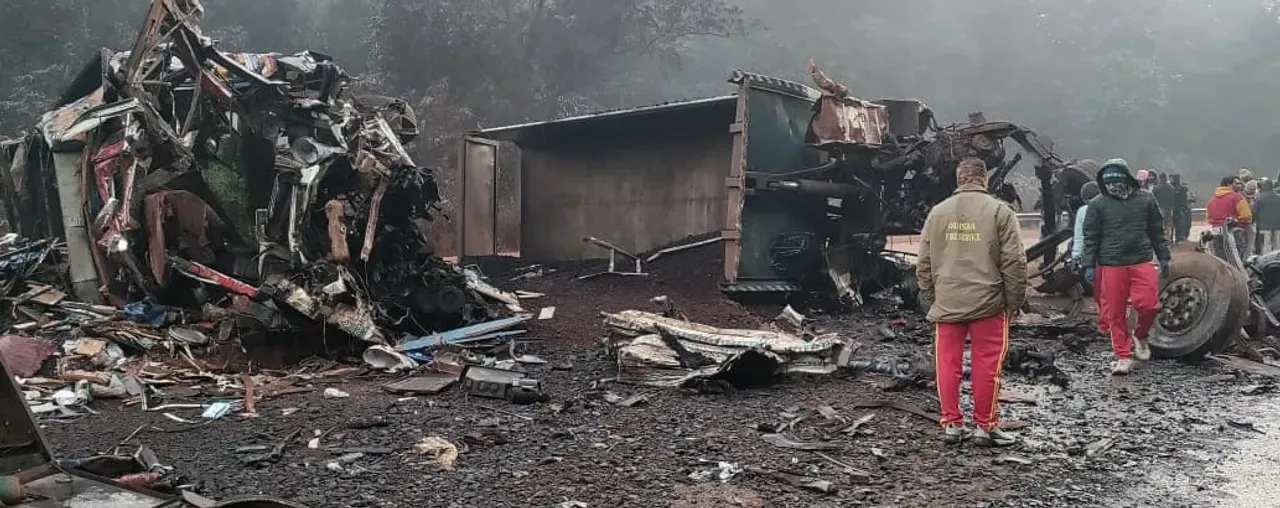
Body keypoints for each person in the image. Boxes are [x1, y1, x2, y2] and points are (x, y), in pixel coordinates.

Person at [916, 157, 1027, 447]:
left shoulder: (937, 213)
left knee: (946, 363)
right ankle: (984, 427)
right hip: (988, 304)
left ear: (959, 180)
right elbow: (1014, 262)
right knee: (986, 365)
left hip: (948, 302)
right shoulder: (1000, 212)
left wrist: (934, 296)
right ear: (984, 179)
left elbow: (923, 264)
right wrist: (1013, 302)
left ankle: (951, 424)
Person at [1081, 159, 1170, 376]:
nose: (1113, 185)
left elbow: (1156, 230)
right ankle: (1123, 355)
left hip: (1141, 259)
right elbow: (1090, 237)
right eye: (1108, 181)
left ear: (1127, 177)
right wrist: (1088, 265)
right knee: (1115, 312)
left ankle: (1140, 335)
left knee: (1149, 304)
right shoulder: (1097, 204)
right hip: (1111, 263)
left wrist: (1164, 257)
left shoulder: (1145, 199)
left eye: (1116, 179)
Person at [1072, 181, 1106, 335]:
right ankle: (1110, 321)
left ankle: (1106, 323)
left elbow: (1079, 237)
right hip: (1112, 255)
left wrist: (1076, 257)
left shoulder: (1083, 211)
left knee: (1100, 292)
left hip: (1095, 257)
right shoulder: (1109, 206)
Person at [1207, 175, 1252, 261]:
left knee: (1221, 262)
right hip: (1233, 233)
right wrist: (1240, 222)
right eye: (1237, 183)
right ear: (1229, 185)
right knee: (1237, 261)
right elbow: (1247, 216)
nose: (1240, 185)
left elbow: (1209, 217)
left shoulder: (1211, 200)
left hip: (1215, 233)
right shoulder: (1237, 198)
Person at [1254, 179, 1280, 254]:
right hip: (1278, 224)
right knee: (1277, 243)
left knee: (1266, 244)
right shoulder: (1278, 197)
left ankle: (1266, 259)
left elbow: (1255, 211)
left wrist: (1255, 220)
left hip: (1264, 225)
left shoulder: (1259, 198)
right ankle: (1277, 259)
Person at [1152, 173, 1177, 241]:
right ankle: (1168, 239)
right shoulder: (1171, 187)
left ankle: (1161, 239)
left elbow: (1152, 198)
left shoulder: (1156, 187)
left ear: (1160, 178)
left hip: (1160, 209)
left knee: (1160, 225)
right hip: (1170, 209)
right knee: (1168, 225)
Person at [1171, 174, 1193, 243]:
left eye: (1172, 179)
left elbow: (1185, 200)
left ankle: (1180, 238)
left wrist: (1185, 206)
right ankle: (1172, 239)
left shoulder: (1183, 189)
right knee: (1171, 225)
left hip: (1181, 209)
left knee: (1182, 225)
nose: (1171, 180)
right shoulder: (1170, 188)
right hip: (1172, 209)